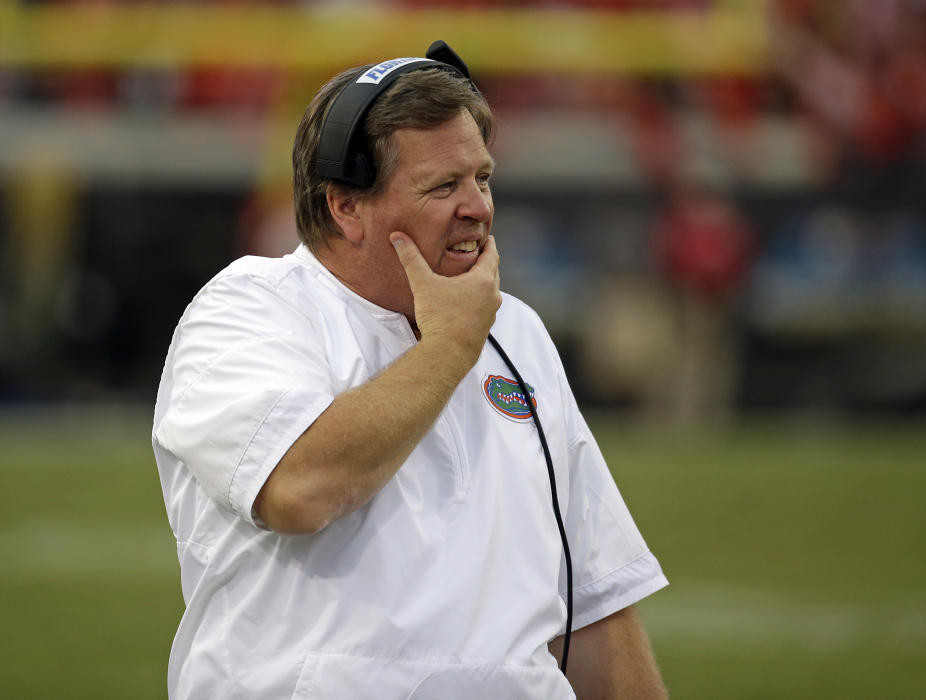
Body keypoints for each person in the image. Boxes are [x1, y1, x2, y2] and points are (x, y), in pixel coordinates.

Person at [152, 43, 669, 699]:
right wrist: (450, 346)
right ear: (346, 206)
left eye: (481, 179)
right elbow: (300, 488)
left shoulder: (518, 332)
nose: (478, 207)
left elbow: (593, 600)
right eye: (442, 186)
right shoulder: (250, 310)